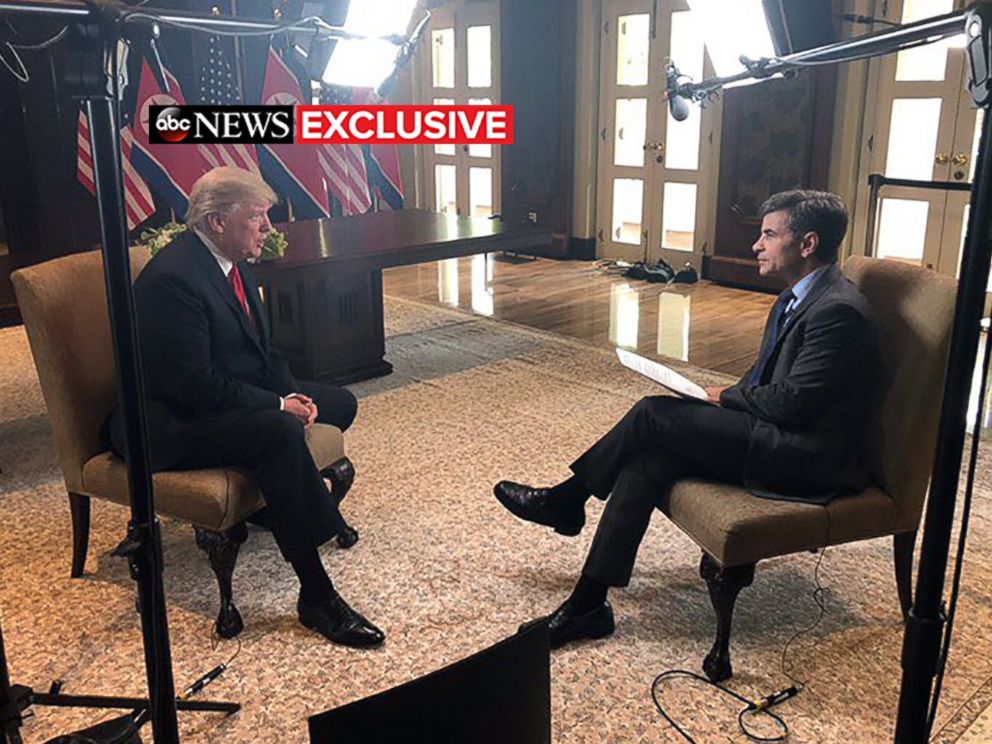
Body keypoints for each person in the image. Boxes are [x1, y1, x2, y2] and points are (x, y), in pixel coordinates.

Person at [493, 189, 881, 649]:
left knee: (653, 415)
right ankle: (587, 605)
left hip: (807, 456)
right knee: (648, 458)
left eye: (769, 235)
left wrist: (727, 397)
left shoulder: (838, 311)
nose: (757, 245)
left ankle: (567, 499)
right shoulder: (795, 298)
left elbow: (794, 404)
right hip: (779, 432)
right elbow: (766, 380)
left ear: (808, 243)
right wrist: (716, 400)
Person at [107, 167, 384, 648]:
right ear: (217, 221)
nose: (268, 229)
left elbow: (264, 350)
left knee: (337, 402)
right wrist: (278, 405)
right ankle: (316, 596)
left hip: (219, 394)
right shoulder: (174, 280)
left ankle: (279, 506)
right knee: (278, 431)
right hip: (165, 420)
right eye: (257, 217)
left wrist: (293, 395)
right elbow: (192, 385)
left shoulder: (231, 259)